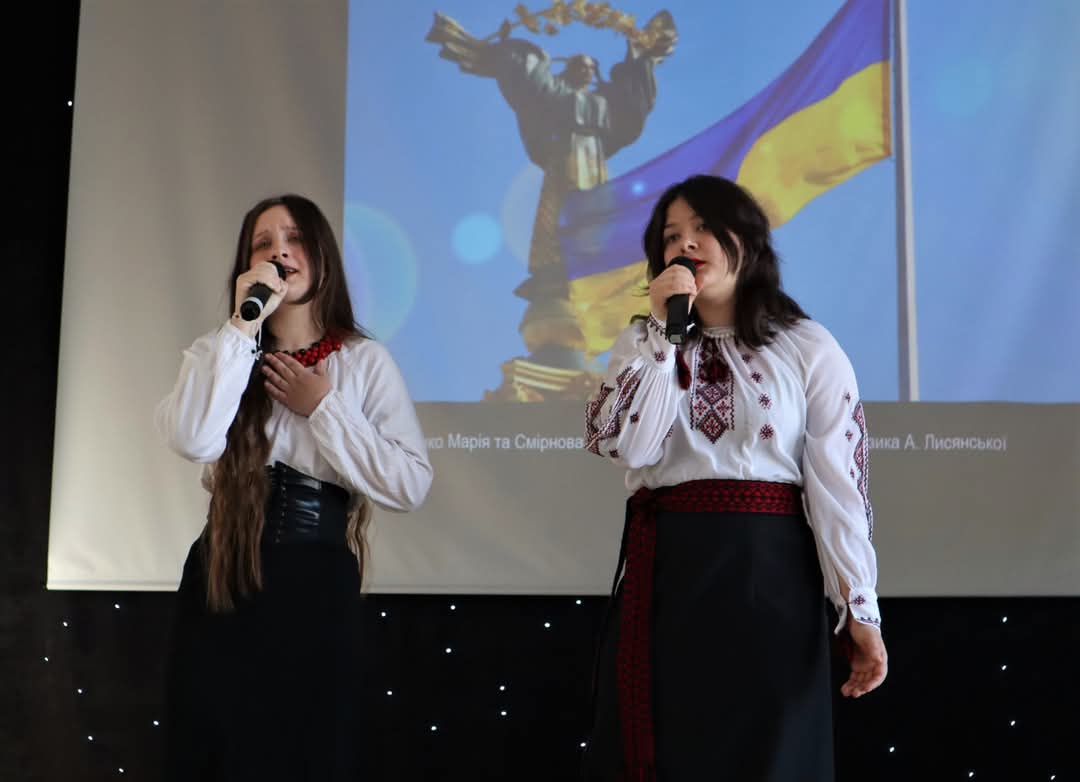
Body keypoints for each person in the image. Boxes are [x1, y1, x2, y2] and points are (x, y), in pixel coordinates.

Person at [582, 175, 887, 781]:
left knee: (768, 754)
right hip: (669, 576)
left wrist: (859, 607)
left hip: (772, 578)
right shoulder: (643, 344)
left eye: (702, 228)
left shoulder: (806, 346)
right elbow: (627, 446)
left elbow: (839, 489)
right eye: (672, 236)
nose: (686, 245)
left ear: (746, 239)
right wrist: (664, 335)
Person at [155, 194, 432, 781]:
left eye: (295, 238)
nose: (279, 251)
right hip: (221, 575)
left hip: (312, 580)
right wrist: (241, 326)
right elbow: (193, 439)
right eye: (263, 243)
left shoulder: (363, 361)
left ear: (322, 255)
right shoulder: (220, 351)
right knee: (211, 744)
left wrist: (323, 407)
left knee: (301, 749)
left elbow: (409, 484)